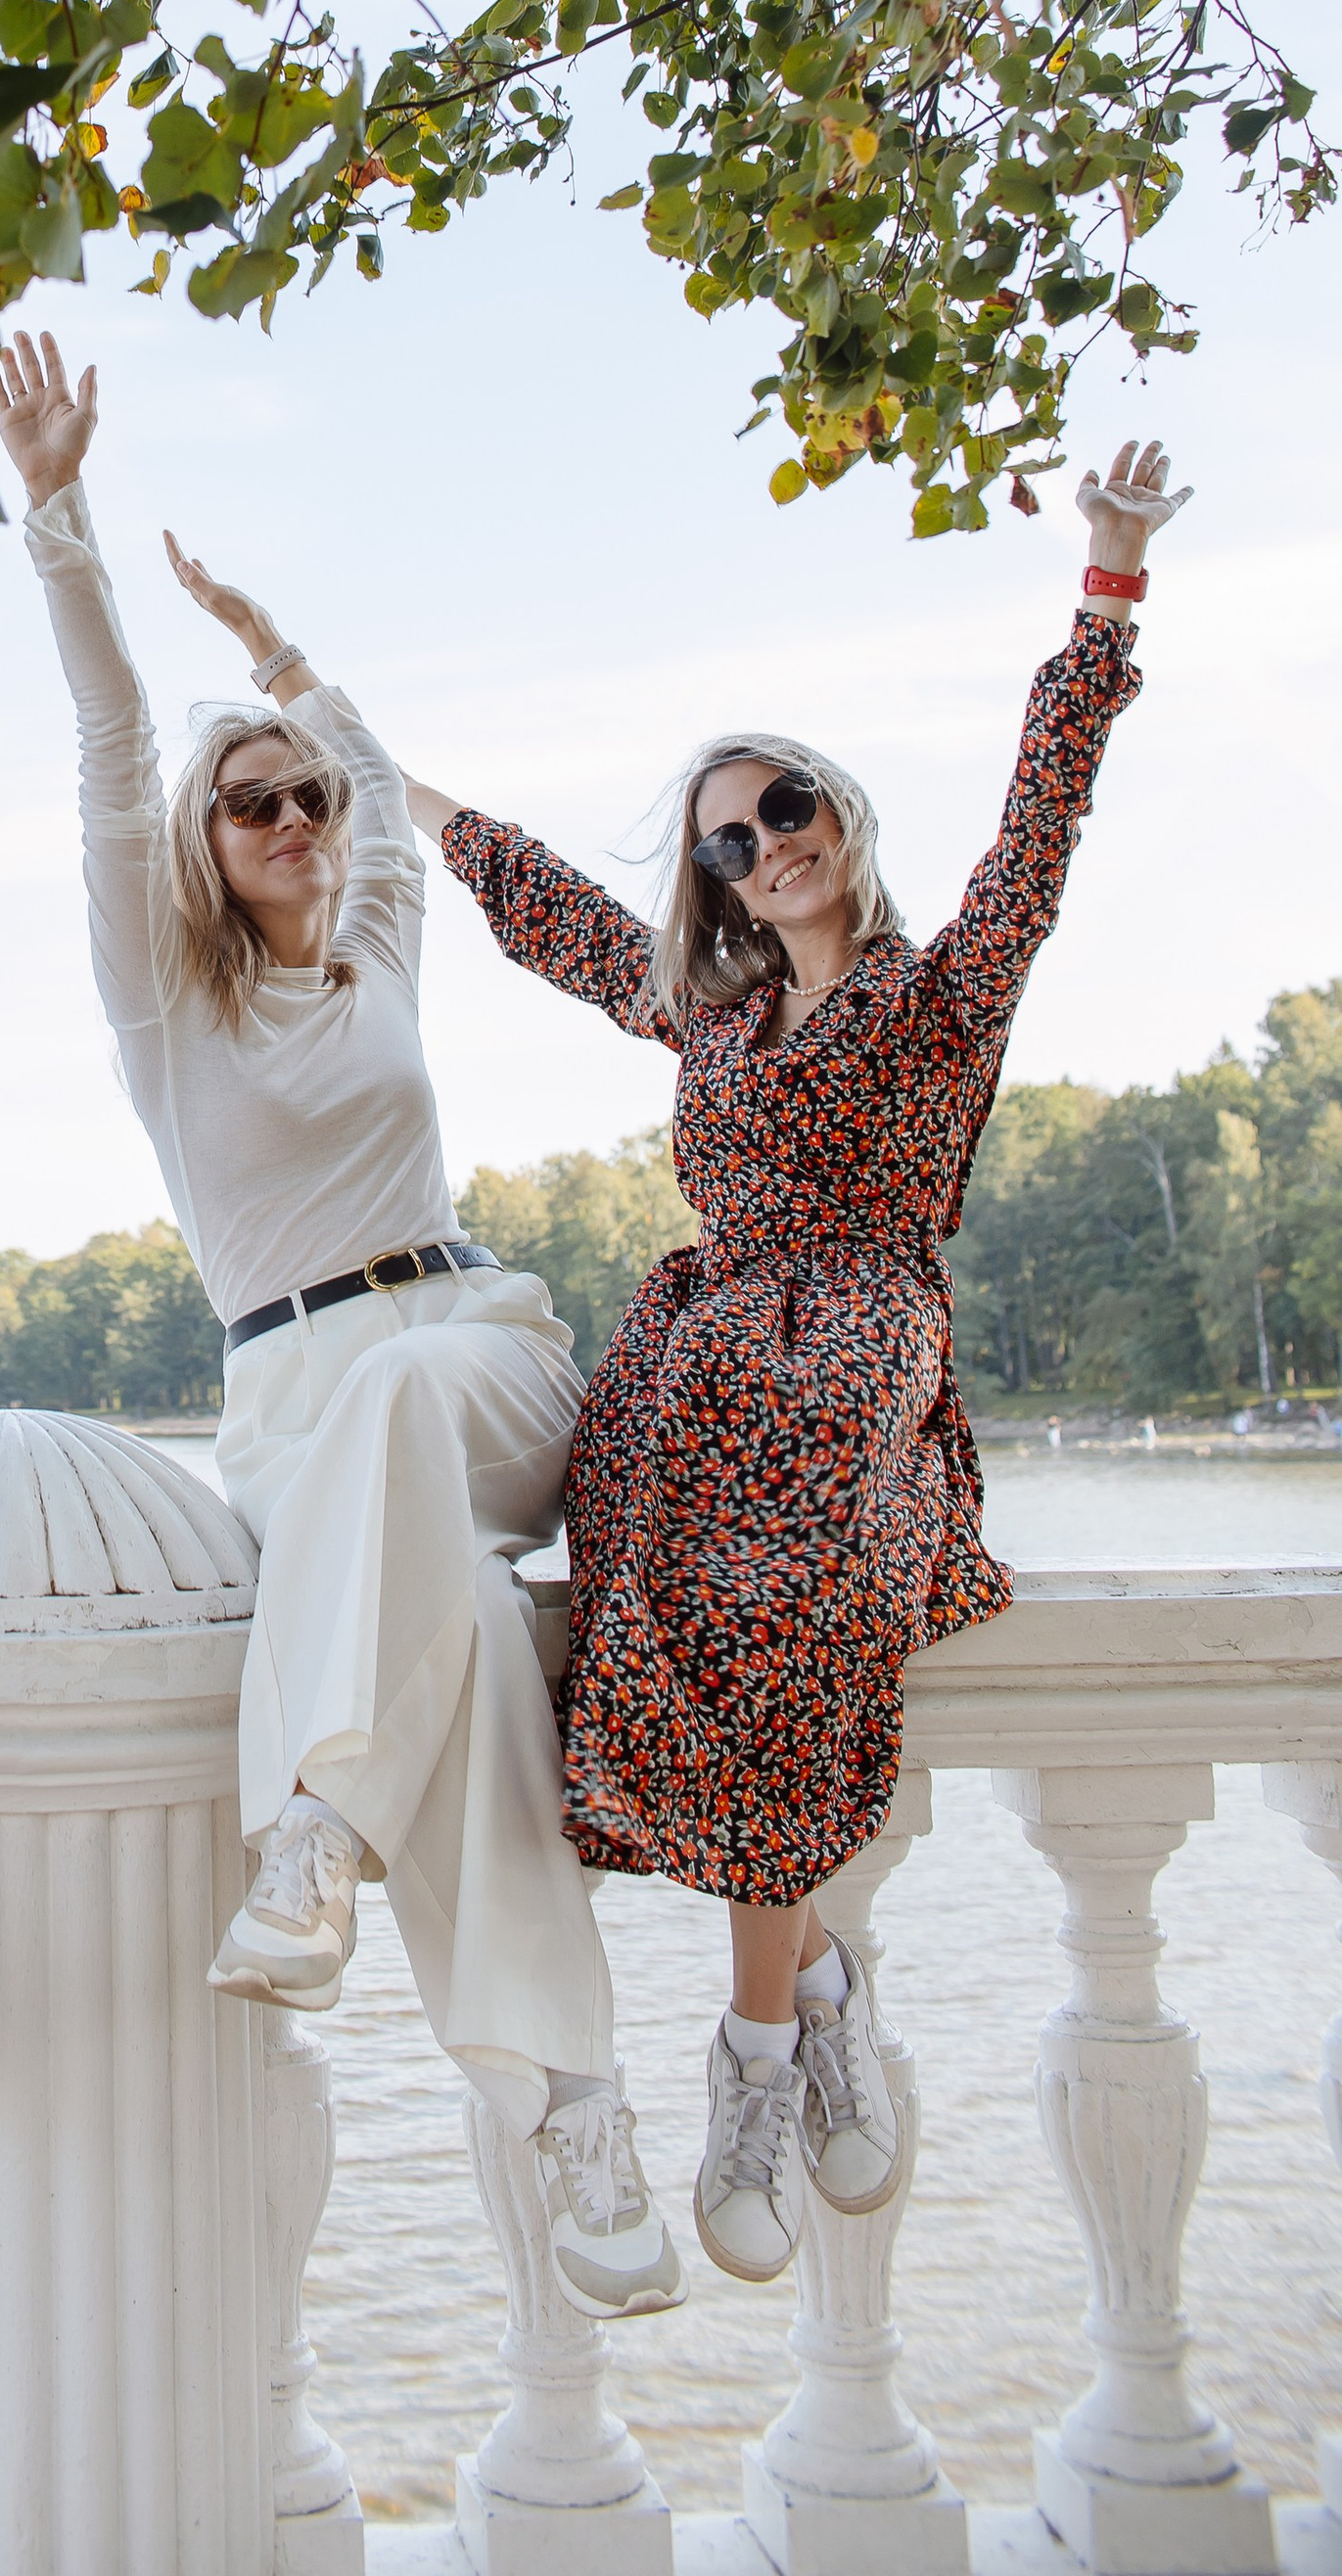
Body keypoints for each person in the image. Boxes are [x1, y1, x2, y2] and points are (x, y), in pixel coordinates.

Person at [423, 439, 1189, 2281]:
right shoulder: (709, 1007)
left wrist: (1106, 579)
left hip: (855, 1362)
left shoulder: (943, 995)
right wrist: (377, 768)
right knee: (666, 1590)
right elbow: (548, 913)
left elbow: (1043, 826)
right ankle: (817, 1983)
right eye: (725, 842)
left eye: (778, 809)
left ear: (836, 811)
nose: (761, 847)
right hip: (701, 1369)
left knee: (802, 1584)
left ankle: (756, 2049)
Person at [0, 330, 684, 2322]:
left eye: (301, 799)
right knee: (457, 1629)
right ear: (203, 856)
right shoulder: (162, 1002)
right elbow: (114, 741)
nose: (293, 820)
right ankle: (571, 2098)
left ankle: (308, 1823)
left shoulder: (376, 944)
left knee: (403, 1391)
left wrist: (275, 642)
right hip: (294, 1414)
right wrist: (59, 523)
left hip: (473, 1353)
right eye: (254, 809)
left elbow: (378, 769)